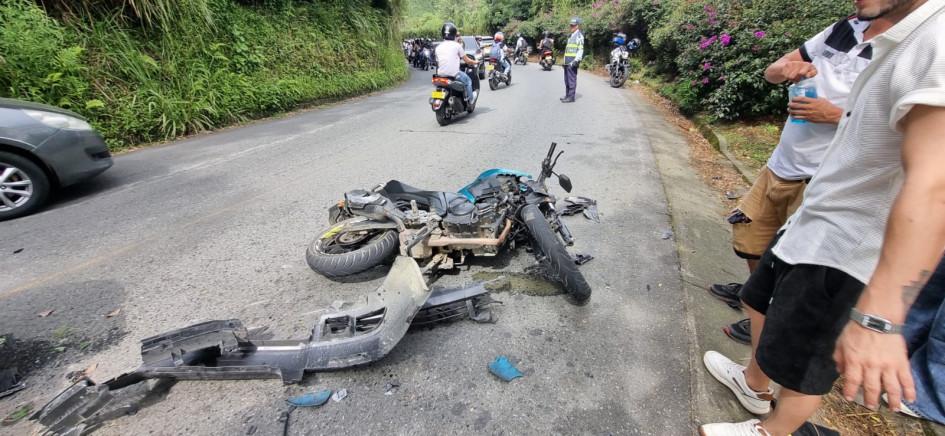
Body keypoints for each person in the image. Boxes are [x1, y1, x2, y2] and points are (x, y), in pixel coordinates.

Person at [700, 0, 945, 435]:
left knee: (806, 351)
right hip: (814, 213)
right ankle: (754, 385)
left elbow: (935, 186)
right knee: (758, 296)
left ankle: (772, 430)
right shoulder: (869, 32)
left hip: (849, 241)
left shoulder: (936, 41)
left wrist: (880, 319)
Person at [706, 13, 890, 345]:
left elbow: (901, 130)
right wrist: (787, 69)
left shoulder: (907, 47)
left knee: (792, 261)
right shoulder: (843, 28)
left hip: (824, 179)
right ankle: (757, 299)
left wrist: (835, 116)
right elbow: (772, 71)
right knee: (750, 236)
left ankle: (768, 322)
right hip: (781, 164)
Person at [434, 23, 478, 104]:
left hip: (440, 75)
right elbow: (467, 61)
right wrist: (475, 61)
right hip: (454, 74)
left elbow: (438, 63)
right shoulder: (457, 45)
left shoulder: (438, 47)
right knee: (468, 81)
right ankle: (471, 99)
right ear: (454, 34)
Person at [561, 16, 584, 103]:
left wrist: (577, 60)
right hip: (567, 62)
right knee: (566, 80)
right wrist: (564, 62)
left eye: (573, 25)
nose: (571, 27)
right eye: (571, 25)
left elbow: (580, 49)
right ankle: (567, 95)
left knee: (571, 80)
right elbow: (567, 50)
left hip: (572, 62)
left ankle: (571, 97)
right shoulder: (570, 36)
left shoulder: (579, 36)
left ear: (577, 26)